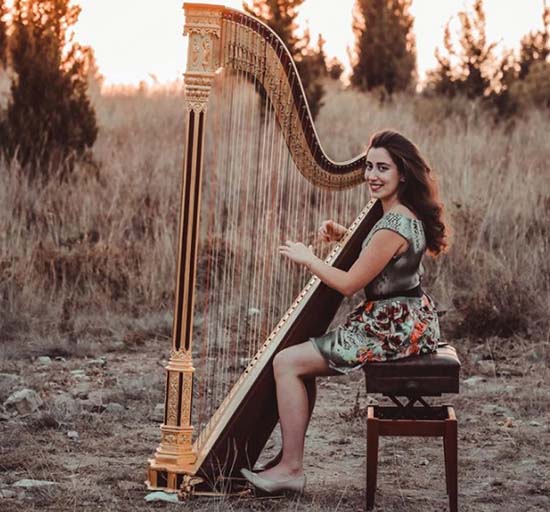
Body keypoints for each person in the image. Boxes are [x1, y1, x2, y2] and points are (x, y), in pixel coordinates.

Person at [240, 129, 448, 493]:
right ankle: (290, 463)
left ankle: (291, 469)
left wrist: (309, 259)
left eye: (383, 168)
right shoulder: (400, 213)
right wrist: (341, 235)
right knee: (297, 362)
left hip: (389, 328)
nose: (372, 175)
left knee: (286, 362)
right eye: (368, 166)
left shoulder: (394, 223)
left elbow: (350, 283)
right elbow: (379, 255)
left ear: (403, 173)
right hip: (405, 320)